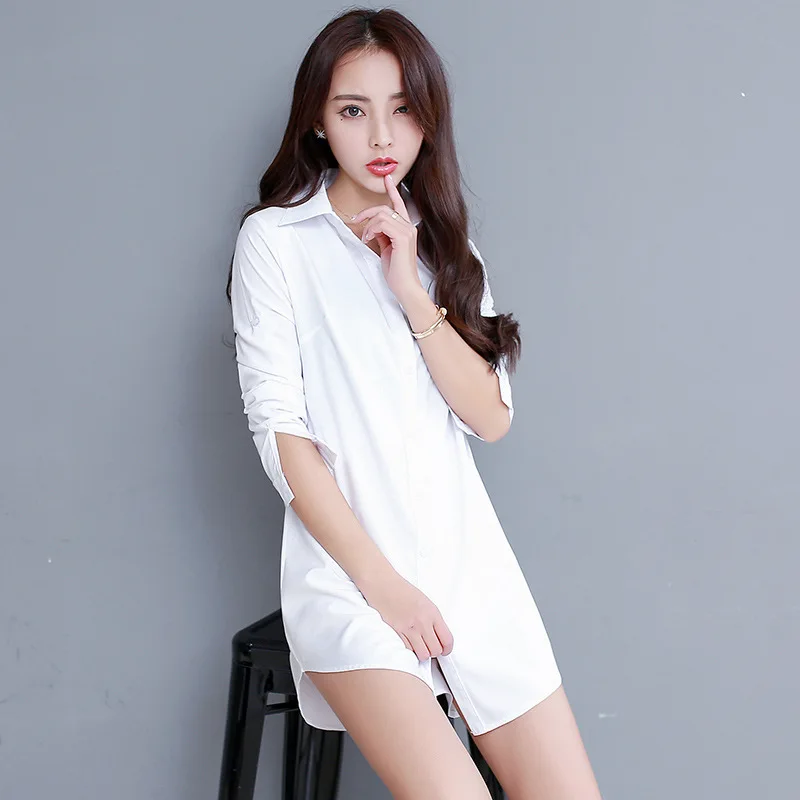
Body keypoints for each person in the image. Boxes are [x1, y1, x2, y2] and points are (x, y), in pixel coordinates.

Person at [225, 7, 603, 799]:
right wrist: (386, 587)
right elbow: (282, 438)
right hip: (352, 580)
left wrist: (408, 288)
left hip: (470, 567)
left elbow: (490, 419)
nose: (381, 135)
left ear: (428, 120)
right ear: (318, 122)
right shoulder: (276, 243)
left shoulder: (445, 247)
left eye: (402, 109)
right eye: (352, 110)